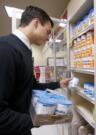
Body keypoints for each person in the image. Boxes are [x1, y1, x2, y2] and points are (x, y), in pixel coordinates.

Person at [0, 5, 70, 135]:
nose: (48, 38)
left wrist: (59, 84)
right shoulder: (5, 49)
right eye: (48, 32)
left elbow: (32, 85)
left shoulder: (25, 51)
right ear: (36, 23)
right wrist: (37, 120)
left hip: (21, 128)